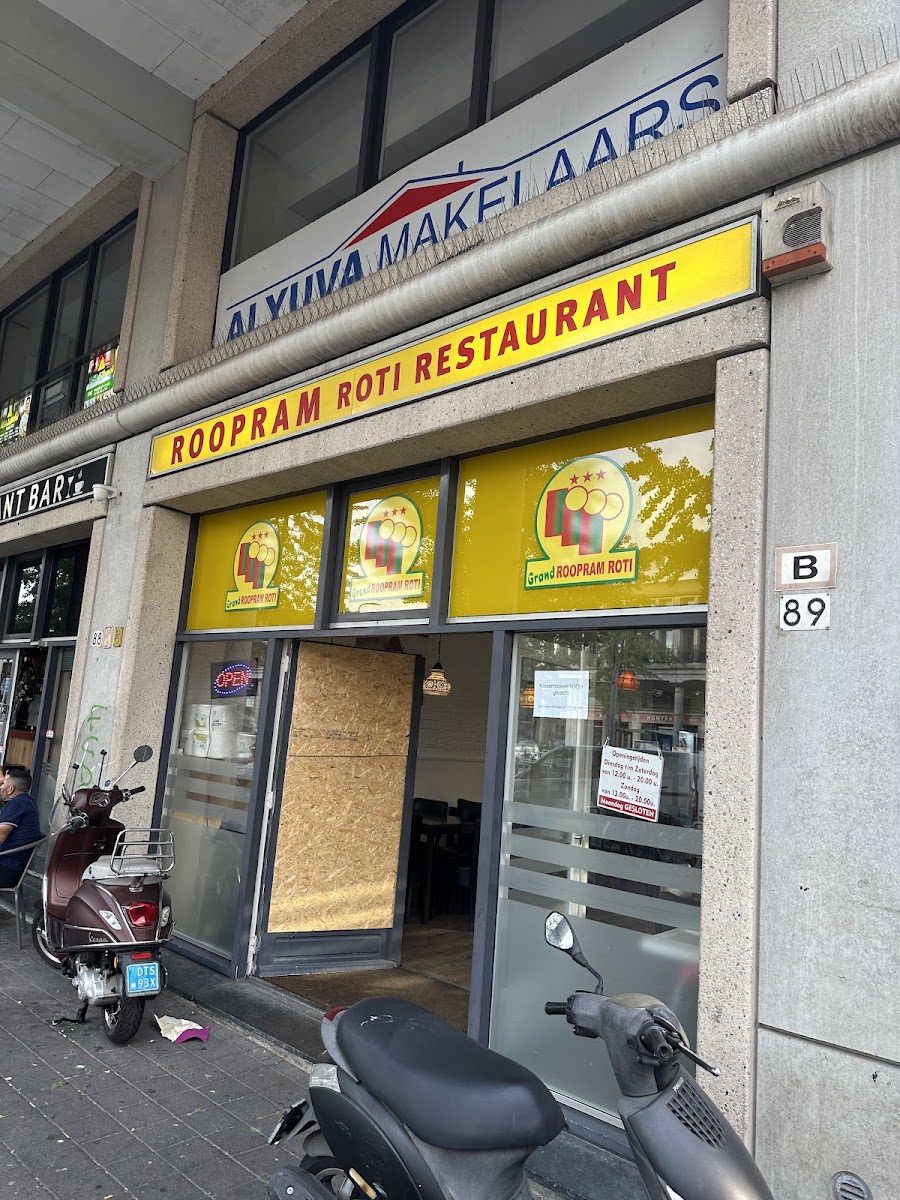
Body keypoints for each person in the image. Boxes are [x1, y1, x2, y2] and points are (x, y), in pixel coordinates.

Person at [0, 765, 42, 887]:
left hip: (6, 869)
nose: (0, 787)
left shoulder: (16, 804)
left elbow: (0, 836)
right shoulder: (26, 802)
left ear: (10, 789)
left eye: (3, 784)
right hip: (11, 866)